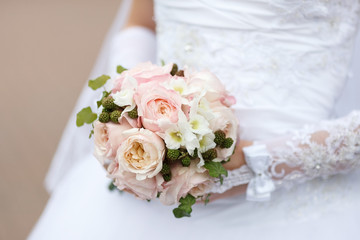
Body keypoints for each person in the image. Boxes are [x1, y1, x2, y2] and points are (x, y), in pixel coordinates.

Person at [29, 0, 360, 239]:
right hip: (146, 198)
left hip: (297, 203)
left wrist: (261, 161)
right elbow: (140, 22)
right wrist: (130, 106)